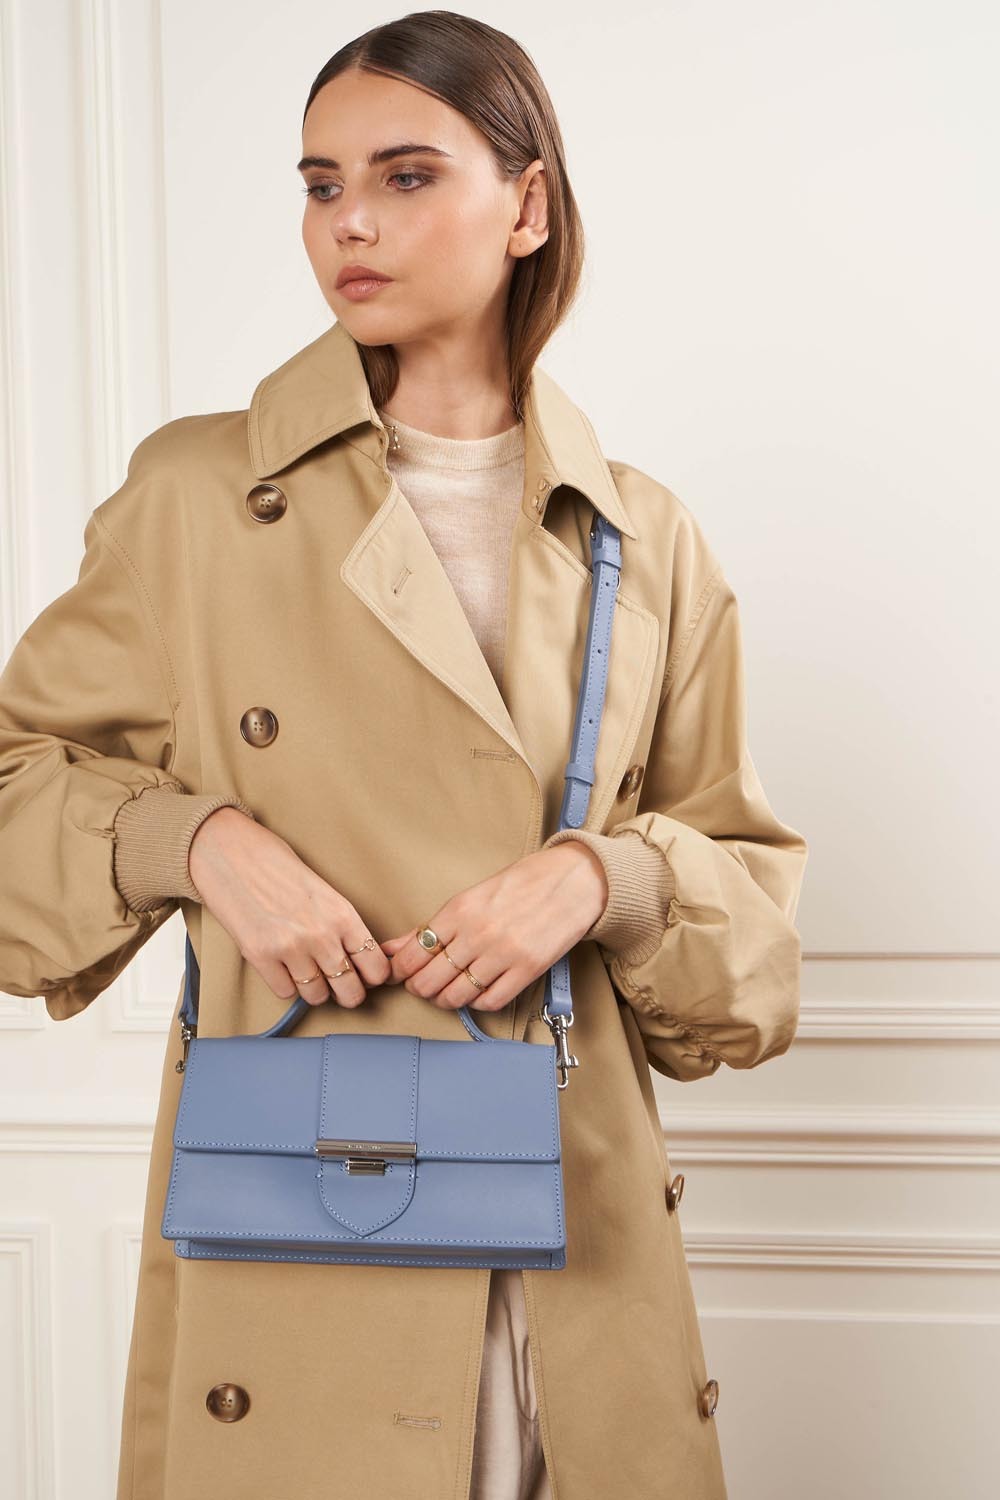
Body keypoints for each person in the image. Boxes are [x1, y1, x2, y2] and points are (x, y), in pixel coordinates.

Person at [0, 13, 808, 1499]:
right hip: (301, 1236)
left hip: (575, 1247)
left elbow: (749, 952)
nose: (350, 222)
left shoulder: (642, 535)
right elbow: (13, 786)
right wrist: (197, 844)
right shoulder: (195, 497)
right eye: (321, 184)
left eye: (406, 175)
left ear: (528, 205)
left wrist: (602, 877)